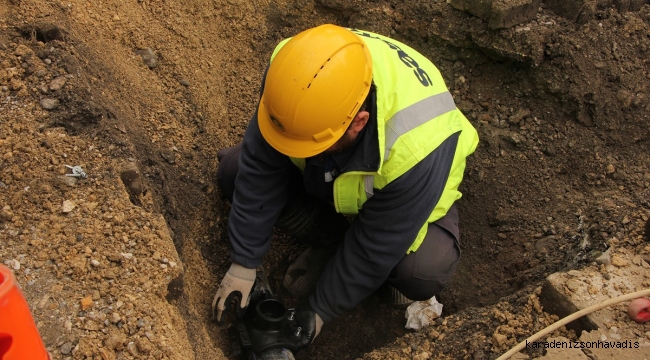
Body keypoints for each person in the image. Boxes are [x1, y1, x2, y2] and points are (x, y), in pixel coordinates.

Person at [212, 24, 479, 349]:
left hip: (407, 201)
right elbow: (262, 164)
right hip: (336, 180)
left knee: (422, 270)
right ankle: (332, 238)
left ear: (359, 122)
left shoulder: (418, 145)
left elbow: (375, 247)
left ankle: (373, 275)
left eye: (310, 145)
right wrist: (244, 261)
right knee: (234, 174)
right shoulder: (292, 72)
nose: (296, 152)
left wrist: (319, 309)